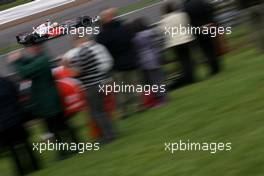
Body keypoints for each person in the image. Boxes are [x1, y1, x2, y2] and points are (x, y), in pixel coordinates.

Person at [8, 44, 79, 159]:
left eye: (30, 47)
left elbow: (25, 72)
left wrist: (16, 61)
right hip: (47, 100)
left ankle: (68, 149)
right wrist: (21, 59)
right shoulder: (40, 58)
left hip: (48, 100)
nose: (28, 50)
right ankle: (69, 148)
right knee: (58, 126)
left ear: (36, 47)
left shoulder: (41, 60)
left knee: (58, 126)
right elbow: (30, 64)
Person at [64, 36, 117, 143]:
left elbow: (75, 73)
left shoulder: (81, 54)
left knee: (97, 113)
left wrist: (66, 65)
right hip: (98, 84)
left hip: (91, 87)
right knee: (101, 111)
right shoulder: (89, 51)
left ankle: (108, 136)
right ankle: (111, 133)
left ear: (78, 41)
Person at [96, 8, 141, 118]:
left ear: (106, 19)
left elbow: (101, 50)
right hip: (130, 60)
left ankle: (123, 110)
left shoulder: (103, 34)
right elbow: (132, 41)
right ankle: (137, 105)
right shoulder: (124, 27)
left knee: (120, 89)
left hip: (116, 65)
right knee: (133, 85)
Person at [0, 76, 39, 176]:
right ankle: (35, 165)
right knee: (25, 143)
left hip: (3, 123)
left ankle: (21, 170)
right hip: (16, 117)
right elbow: (17, 95)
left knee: (13, 149)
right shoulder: (6, 81)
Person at [159, 2, 195, 89]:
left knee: (182, 61)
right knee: (188, 59)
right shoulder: (182, 15)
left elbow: (163, 31)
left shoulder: (164, 20)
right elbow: (187, 24)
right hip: (186, 39)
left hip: (174, 42)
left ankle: (187, 78)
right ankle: (190, 77)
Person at [132, 18, 167, 107]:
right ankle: (164, 97)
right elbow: (160, 41)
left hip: (147, 61)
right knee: (159, 80)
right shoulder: (153, 32)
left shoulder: (137, 38)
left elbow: (137, 50)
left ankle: (161, 100)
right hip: (156, 57)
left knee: (154, 82)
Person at [184, 0, 222, 74]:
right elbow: (210, 7)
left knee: (205, 50)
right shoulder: (201, 1)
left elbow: (185, 19)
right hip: (208, 26)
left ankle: (212, 68)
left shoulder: (185, 5)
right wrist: (209, 20)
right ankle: (216, 66)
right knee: (212, 47)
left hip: (197, 30)